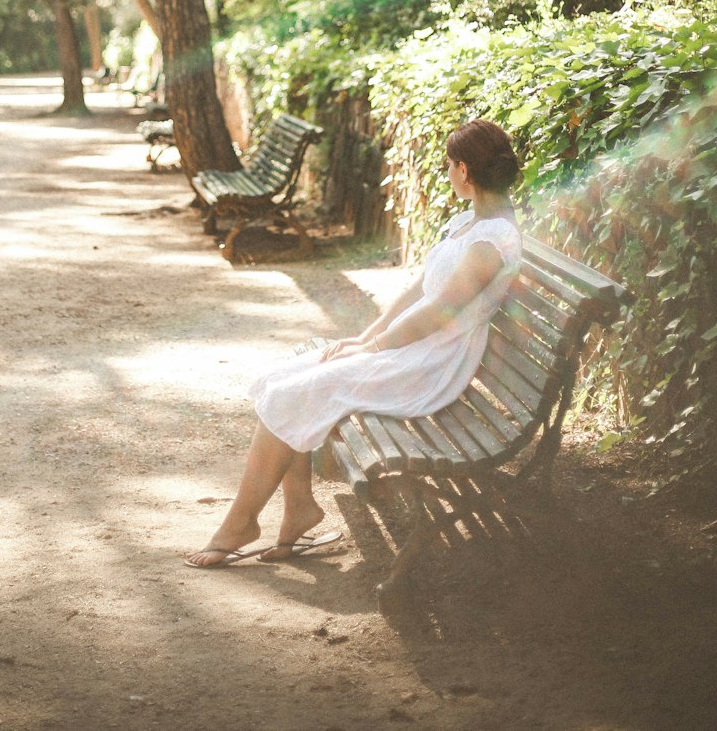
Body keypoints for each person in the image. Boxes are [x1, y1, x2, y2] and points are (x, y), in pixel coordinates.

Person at [184, 118, 522, 569]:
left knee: (293, 391)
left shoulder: (491, 242)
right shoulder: (468, 222)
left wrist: (374, 348)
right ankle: (299, 510)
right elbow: (416, 290)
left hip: (431, 365)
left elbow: (436, 311)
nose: (446, 174)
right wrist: (363, 338)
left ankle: (241, 522)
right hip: (413, 348)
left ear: (464, 170)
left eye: (448, 166)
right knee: (286, 375)